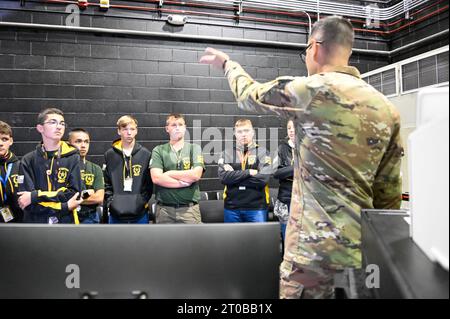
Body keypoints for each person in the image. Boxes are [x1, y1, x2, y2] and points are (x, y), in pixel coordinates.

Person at [200, 16, 403, 299]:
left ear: (314, 48)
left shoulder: (309, 90)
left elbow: (248, 94)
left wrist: (227, 64)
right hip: (362, 252)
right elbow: (389, 196)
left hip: (311, 253)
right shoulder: (387, 109)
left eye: (305, 51)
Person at [18, 108, 83, 224]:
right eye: (53, 122)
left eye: (62, 123)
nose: (59, 127)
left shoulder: (73, 157)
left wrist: (35, 195)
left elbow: (74, 194)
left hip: (66, 222)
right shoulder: (27, 160)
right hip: (35, 222)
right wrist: (64, 206)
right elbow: (26, 202)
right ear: (40, 128)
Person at [150, 113, 205, 224]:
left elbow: (195, 175)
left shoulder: (194, 148)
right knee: (164, 242)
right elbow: (156, 178)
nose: (177, 128)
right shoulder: (159, 150)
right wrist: (182, 183)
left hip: (189, 211)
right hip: (164, 211)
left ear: (185, 128)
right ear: (167, 129)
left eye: (180, 124)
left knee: (193, 242)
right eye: (173, 125)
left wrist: (169, 173)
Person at [218, 119, 273, 223]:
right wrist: (249, 172)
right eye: (239, 131)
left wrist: (233, 177)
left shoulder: (263, 152)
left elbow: (263, 179)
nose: (243, 134)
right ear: (235, 134)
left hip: (257, 208)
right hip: (232, 207)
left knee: (258, 239)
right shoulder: (226, 153)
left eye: (246, 131)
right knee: (232, 239)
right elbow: (223, 178)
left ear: (252, 132)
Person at [103, 115, 153, 224]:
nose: (129, 133)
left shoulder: (146, 154)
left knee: (141, 241)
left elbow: (149, 184)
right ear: (119, 131)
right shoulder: (109, 155)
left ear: (136, 131)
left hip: (140, 213)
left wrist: (142, 201)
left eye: (132, 129)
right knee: (116, 241)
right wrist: (111, 202)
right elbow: (106, 183)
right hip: (115, 214)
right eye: (125, 129)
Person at [68, 128, 104, 224]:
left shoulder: (96, 168)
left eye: (86, 142)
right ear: (69, 143)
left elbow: (99, 198)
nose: (83, 145)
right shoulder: (63, 167)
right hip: (67, 216)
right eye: (78, 141)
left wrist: (76, 197)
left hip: (90, 217)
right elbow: (63, 197)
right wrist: (89, 193)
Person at [273, 119, 295, 242]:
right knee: (287, 239)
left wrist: (286, 171)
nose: (291, 131)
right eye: (289, 128)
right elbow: (276, 172)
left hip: (306, 200)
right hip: (286, 199)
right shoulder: (282, 148)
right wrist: (296, 168)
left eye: (294, 127)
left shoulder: (309, 148)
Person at [0, 121, 23, 223]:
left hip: (18, 221)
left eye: (4, 139)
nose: (0, 143)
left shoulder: (21, 166)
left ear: (11, 141)